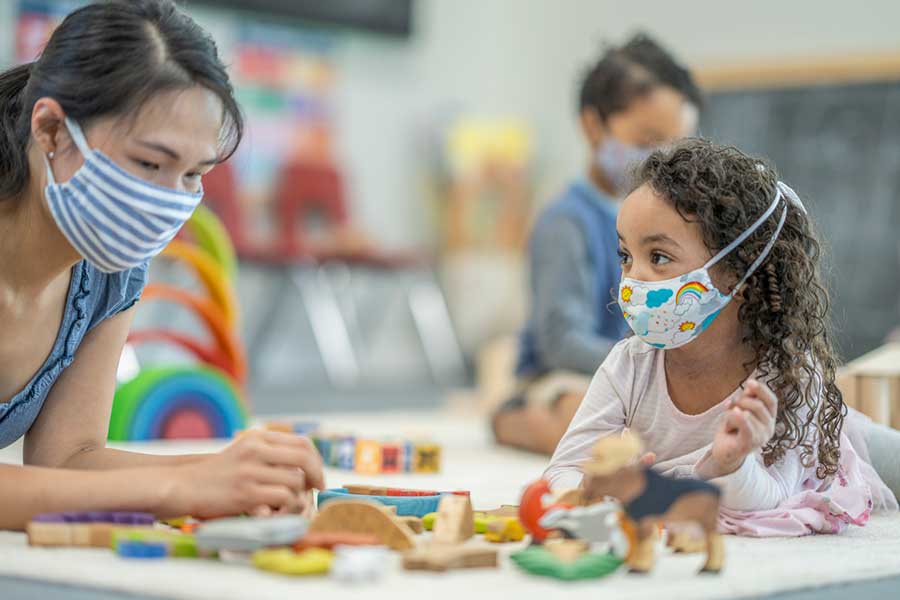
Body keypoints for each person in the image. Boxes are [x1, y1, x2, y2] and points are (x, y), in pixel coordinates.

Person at [0, 0, 323, 531]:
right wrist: (179, 487)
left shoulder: (108, 264)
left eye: (193, 174)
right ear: (53, 130)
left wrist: (229, 474)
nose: (165, 203)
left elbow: (68, 458)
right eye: (149, 163)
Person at [544, 139, 899, 536]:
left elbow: (778, 498)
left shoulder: (788, 373)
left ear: (736, 272)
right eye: (626, 256)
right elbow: (565, 468)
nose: (632, 279)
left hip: (832, 442)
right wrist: (583, 500)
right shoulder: (630, 364)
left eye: (658, 257)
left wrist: (732, 465)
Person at [493, 34, 702, 454]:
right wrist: (648, 364)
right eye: (646, 142)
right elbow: (562, 343)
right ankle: (509, 417)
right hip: (572, 373)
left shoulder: (678, 219)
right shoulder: (566, 221)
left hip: (646, 372)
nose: (660, 159)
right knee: (583, 416)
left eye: (673, 146)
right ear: (593, 125)